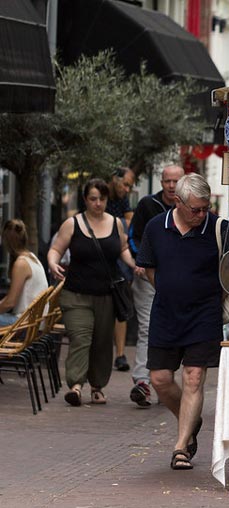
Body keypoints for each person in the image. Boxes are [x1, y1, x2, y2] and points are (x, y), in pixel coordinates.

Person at [136, 174, 229, 470]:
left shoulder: (220, 228)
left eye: (205, 208)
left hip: (204, 314)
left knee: (193, 377)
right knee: (160, 380)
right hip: (165, 313)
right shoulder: (156, 227)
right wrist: (171, 288)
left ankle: (181, 447)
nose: (201, 214)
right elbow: (148, 269)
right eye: (195, 209)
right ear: (177, 202)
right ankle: (189, 418)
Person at [48, 178, 136, 407]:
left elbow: (123, 248)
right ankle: (75, 386)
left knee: (102, 342)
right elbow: (56, 249)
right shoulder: (72, 223)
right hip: (76, 294)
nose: (98, 203)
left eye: (102, 199)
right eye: (93, 199)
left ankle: (97, 387)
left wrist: (135, 265)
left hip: (106, 295)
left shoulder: (117, 223)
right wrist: (52, 263)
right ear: (85, 200)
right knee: (80, 337)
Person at [127, 164, 184, 407]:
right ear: (161, 182)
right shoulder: (147, 205)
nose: (171, 186)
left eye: (175, 181)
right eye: (167, 181)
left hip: (180, 281)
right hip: (149, 276)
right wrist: (141, 260)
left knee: (175, 327)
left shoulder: (191, 208)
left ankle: (165, 379)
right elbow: (133, 236)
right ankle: (142, 382)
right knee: (147, 327)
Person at [107, 167, 136, 372]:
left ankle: (120, 354)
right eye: (125, 184)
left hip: (118, 252)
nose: (126, 189)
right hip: (100, 254)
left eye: (130, 186)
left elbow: (129, 221)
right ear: (113, 179)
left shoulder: (122, 199)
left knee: (121, 304)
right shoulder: (99, 193)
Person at [0, 220, 49, 326]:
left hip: (25, 324)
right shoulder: (31, 257)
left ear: (7, 241)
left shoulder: (21, 264)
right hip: (35, 322)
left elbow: (10, 302)